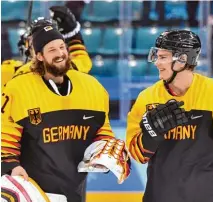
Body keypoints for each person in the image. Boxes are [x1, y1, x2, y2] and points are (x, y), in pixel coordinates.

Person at [1, 23, 130, 202]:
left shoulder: (92, 88)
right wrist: (11, 166)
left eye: (62, 47)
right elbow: (6, 137)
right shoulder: (18, 88)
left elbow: (102, 130)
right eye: (52, 49)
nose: (60, 53)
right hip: (33, 190)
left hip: (74, 191)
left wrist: (103, 151)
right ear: (38, 55)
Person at [126, 30, 213, 202]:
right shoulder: (146, 98)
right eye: (157, 56)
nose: (157, 63)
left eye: (163, 57)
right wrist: (152, 133)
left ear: (183, 60)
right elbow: (137, 154)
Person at [1, 6, 92, 89]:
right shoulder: (8, 70)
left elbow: (82, 62)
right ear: (26, 47)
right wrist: (73, 33)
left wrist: (73, 33)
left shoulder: (62, 66)